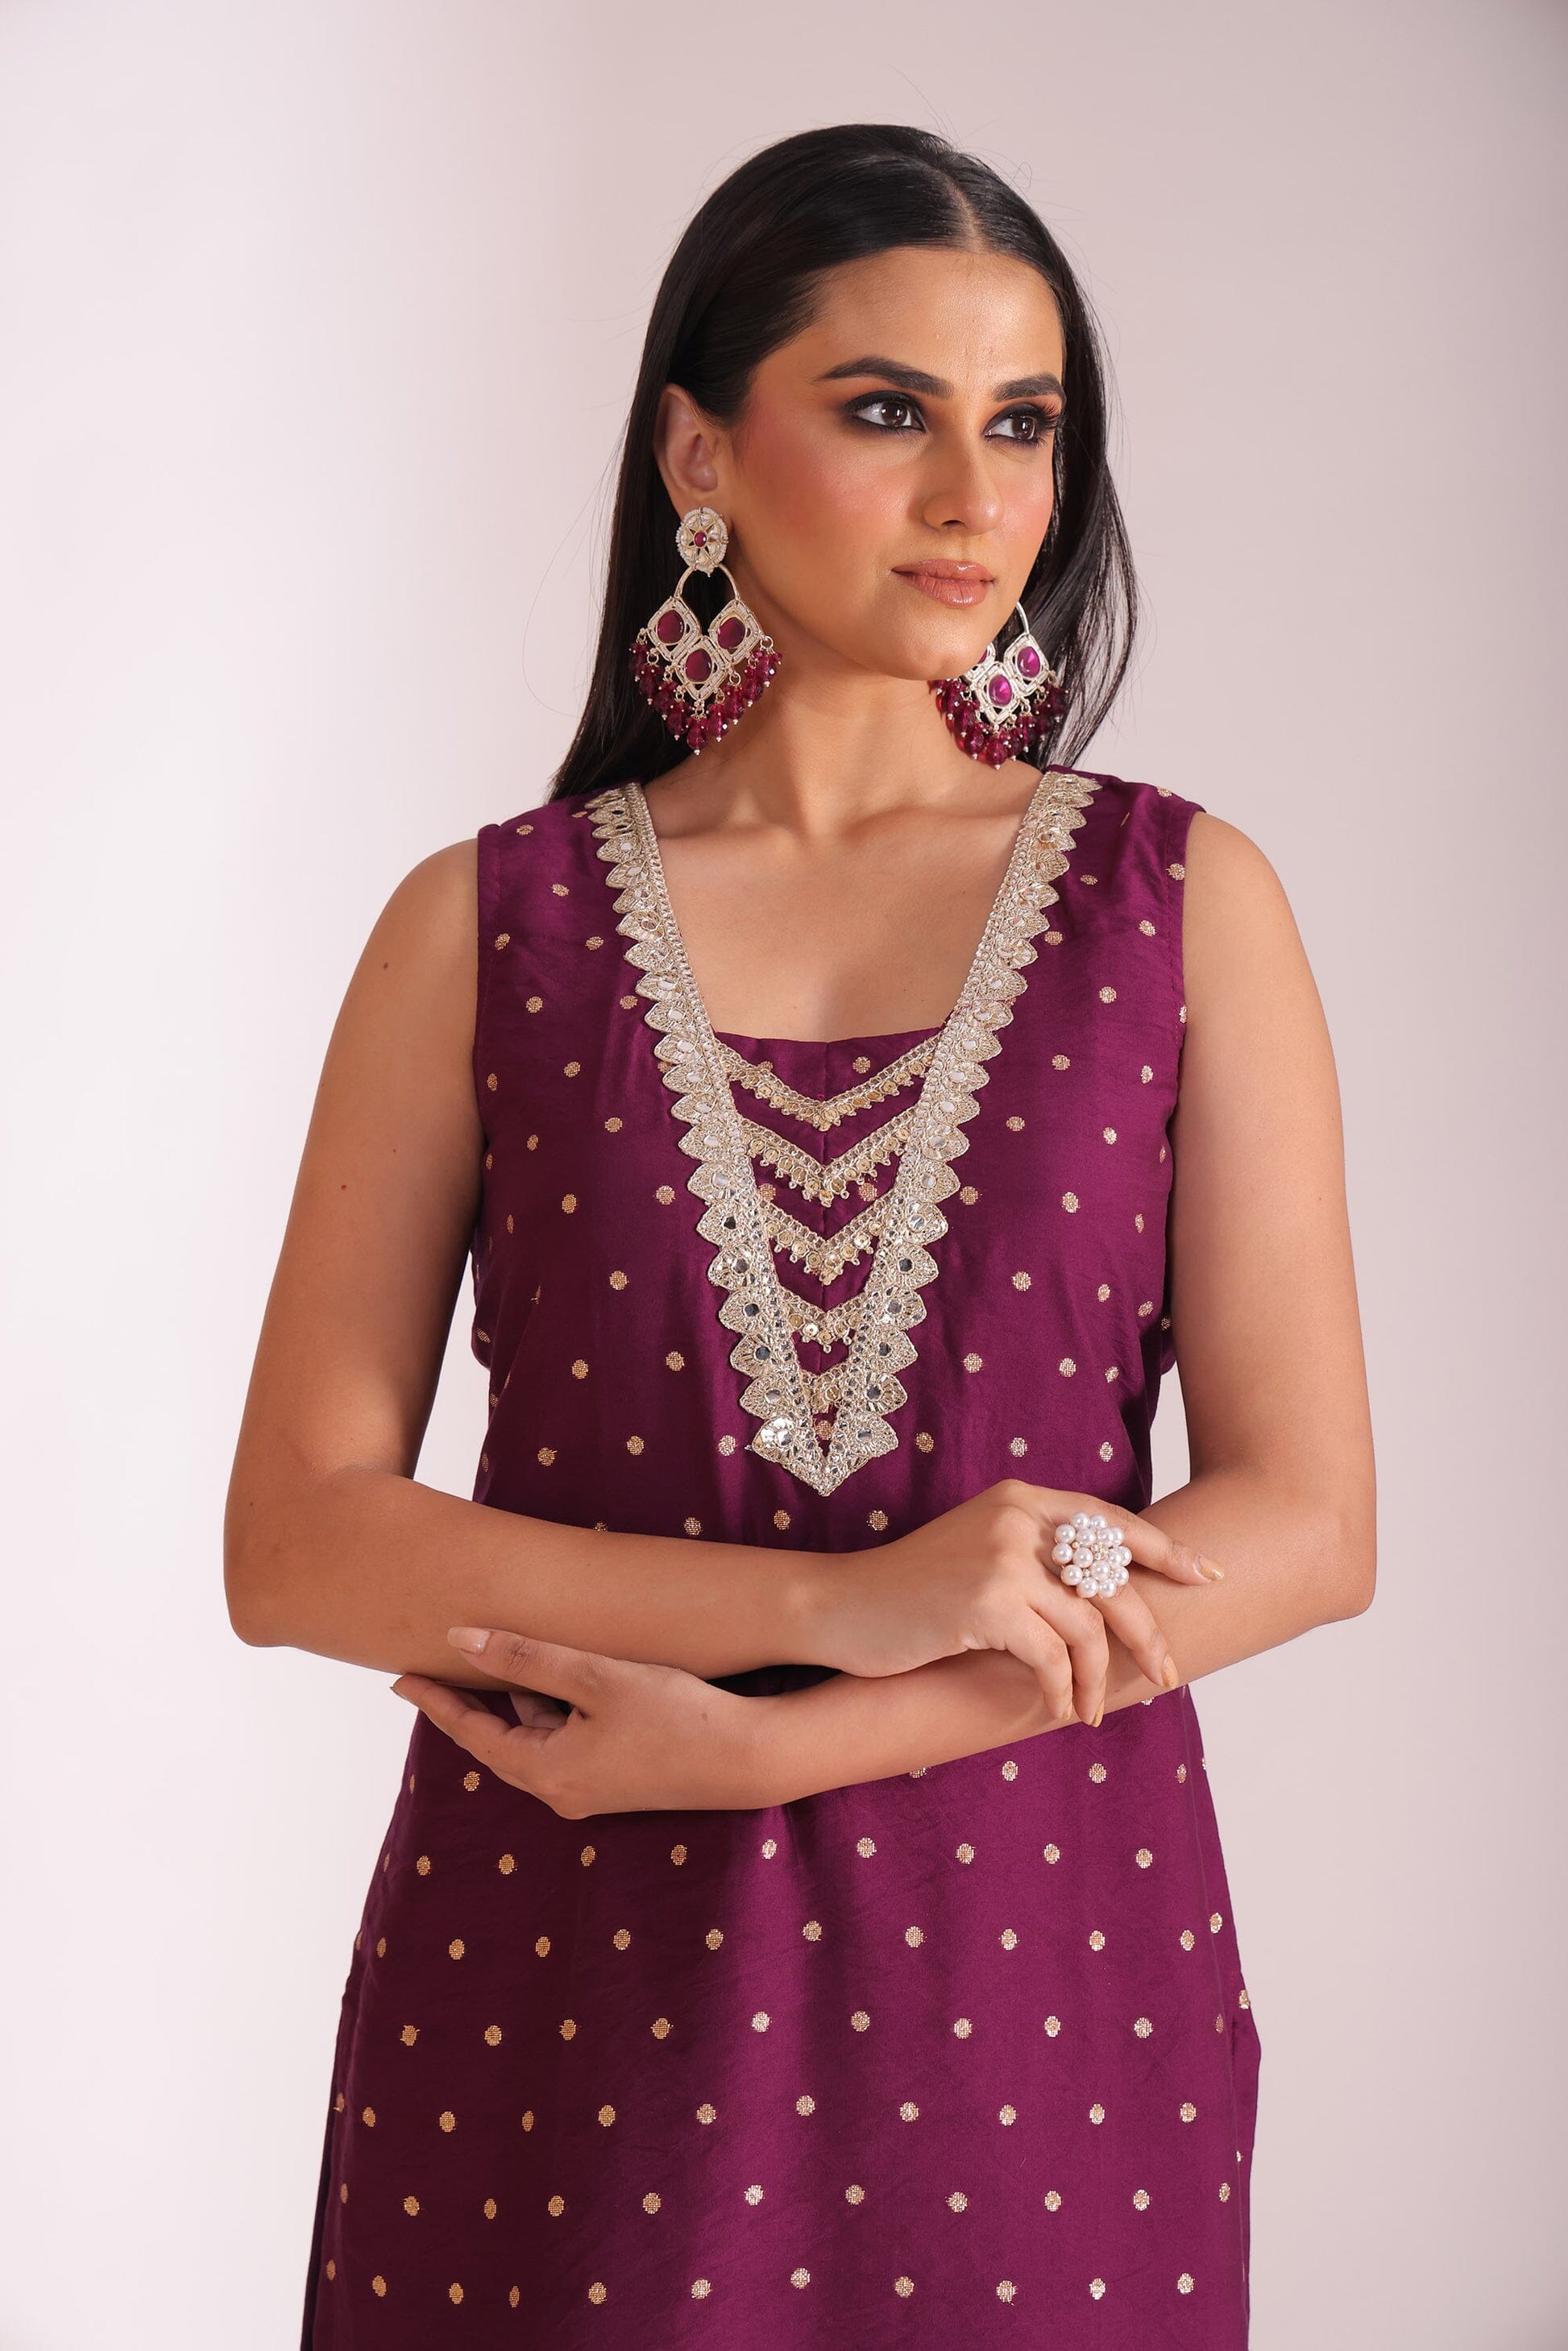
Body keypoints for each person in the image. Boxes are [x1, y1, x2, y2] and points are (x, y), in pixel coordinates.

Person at [226, 121, 1375, 2350]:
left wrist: (781, 1739)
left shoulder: (1177, 908)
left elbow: (1309, 1526)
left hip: (1039, 1976)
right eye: (885, 411)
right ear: (699, 453)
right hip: (565, 1986)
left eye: (1021, 425)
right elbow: (299, 1546)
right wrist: (832, 1606)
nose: (974, 498)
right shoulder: (485, 930)